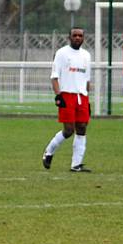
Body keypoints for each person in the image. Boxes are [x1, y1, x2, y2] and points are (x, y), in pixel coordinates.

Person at [42, 27, 92, 172]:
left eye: (80, 35)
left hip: (81, 96)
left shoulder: (86, 55)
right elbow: (54, 76)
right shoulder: (62, 53)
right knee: (69, 130)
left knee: (82, 128)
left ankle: (76, 165)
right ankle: (49, 151)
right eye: (75, 35)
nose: (77, 38)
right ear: (69, 37)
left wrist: (87, 99)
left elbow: (87, 79)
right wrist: (58, 95)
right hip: (67, 95)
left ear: (83, 38)